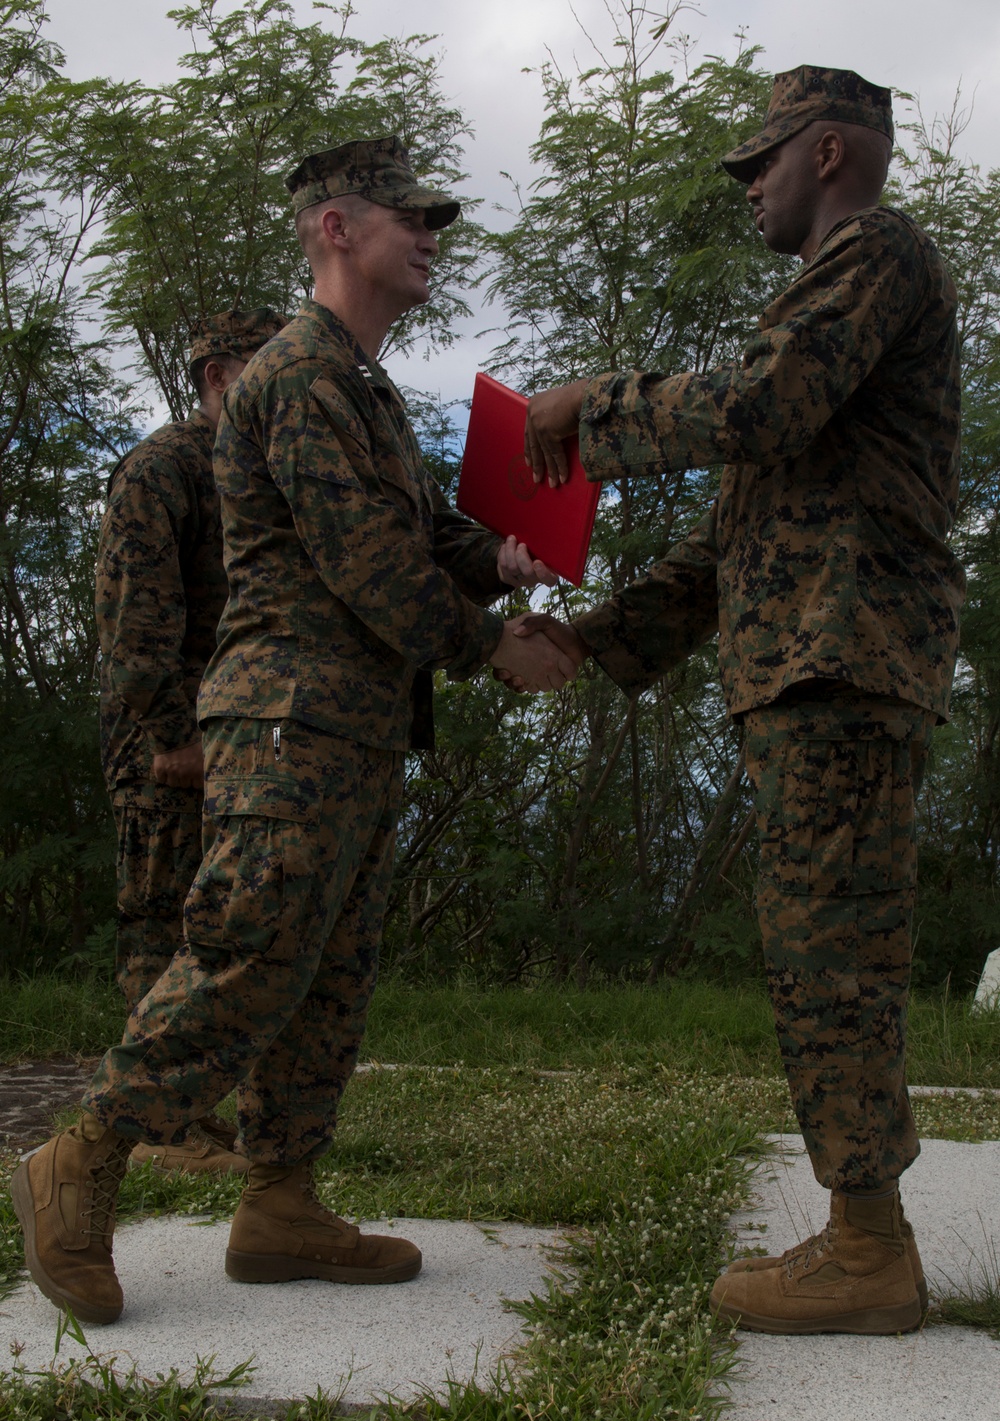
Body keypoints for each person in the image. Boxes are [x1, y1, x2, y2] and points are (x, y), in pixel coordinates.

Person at [13, 137, 575, 1325]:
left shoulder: (363, 388)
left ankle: (280, 1206)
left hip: (351, 726)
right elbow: (372, 568)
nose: (431, 236)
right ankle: (79, 1162)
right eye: (410, 216)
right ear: (336, 226)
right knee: (245, 955)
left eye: (438, 218)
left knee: (328, 977)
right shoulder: (299, 377)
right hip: (286, 721)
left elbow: (428, 537)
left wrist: (502, 557)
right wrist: (491, 646)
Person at [516, 67, 965, 1335]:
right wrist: (599, 639)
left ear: (828, 151)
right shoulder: (831, 306)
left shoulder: (872, 251)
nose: (749, 185)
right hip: (814, 668)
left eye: (758, 161)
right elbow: (741, 540)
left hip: (843, 663)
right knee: (817, 945)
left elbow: (758, 406)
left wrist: (584, 411)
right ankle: (860, 1229)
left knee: (834, 952)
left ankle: (870, 1248)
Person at [97, 307, 285, 1176]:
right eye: (266, 364)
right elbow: (136, 624)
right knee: (161, 929)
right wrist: (172, 739)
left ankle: (198, 1118)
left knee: (217, 928)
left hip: (235, 738)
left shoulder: (253, 470)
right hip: (165, 746)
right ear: (219, 377)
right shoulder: (162, 470)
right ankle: (155, 1137)